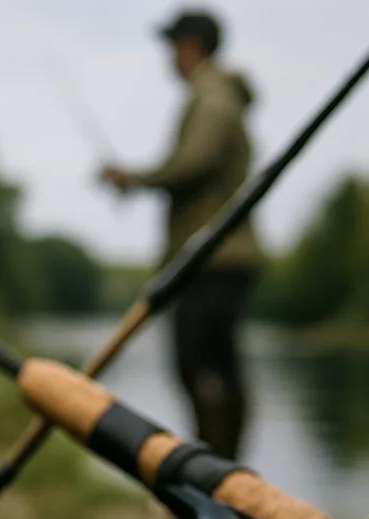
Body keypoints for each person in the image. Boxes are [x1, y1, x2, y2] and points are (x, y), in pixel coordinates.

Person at [101, 9, 261, 459]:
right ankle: (225, 479)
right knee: (215, 368)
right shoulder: (215, 95)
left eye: (172, 45)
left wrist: (134, 180)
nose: (169, 56)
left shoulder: (213, 98)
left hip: (212, 257)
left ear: (190, 46)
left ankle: (221, 481)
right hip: (219, 257)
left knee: (200, 366)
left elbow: (194, 163)